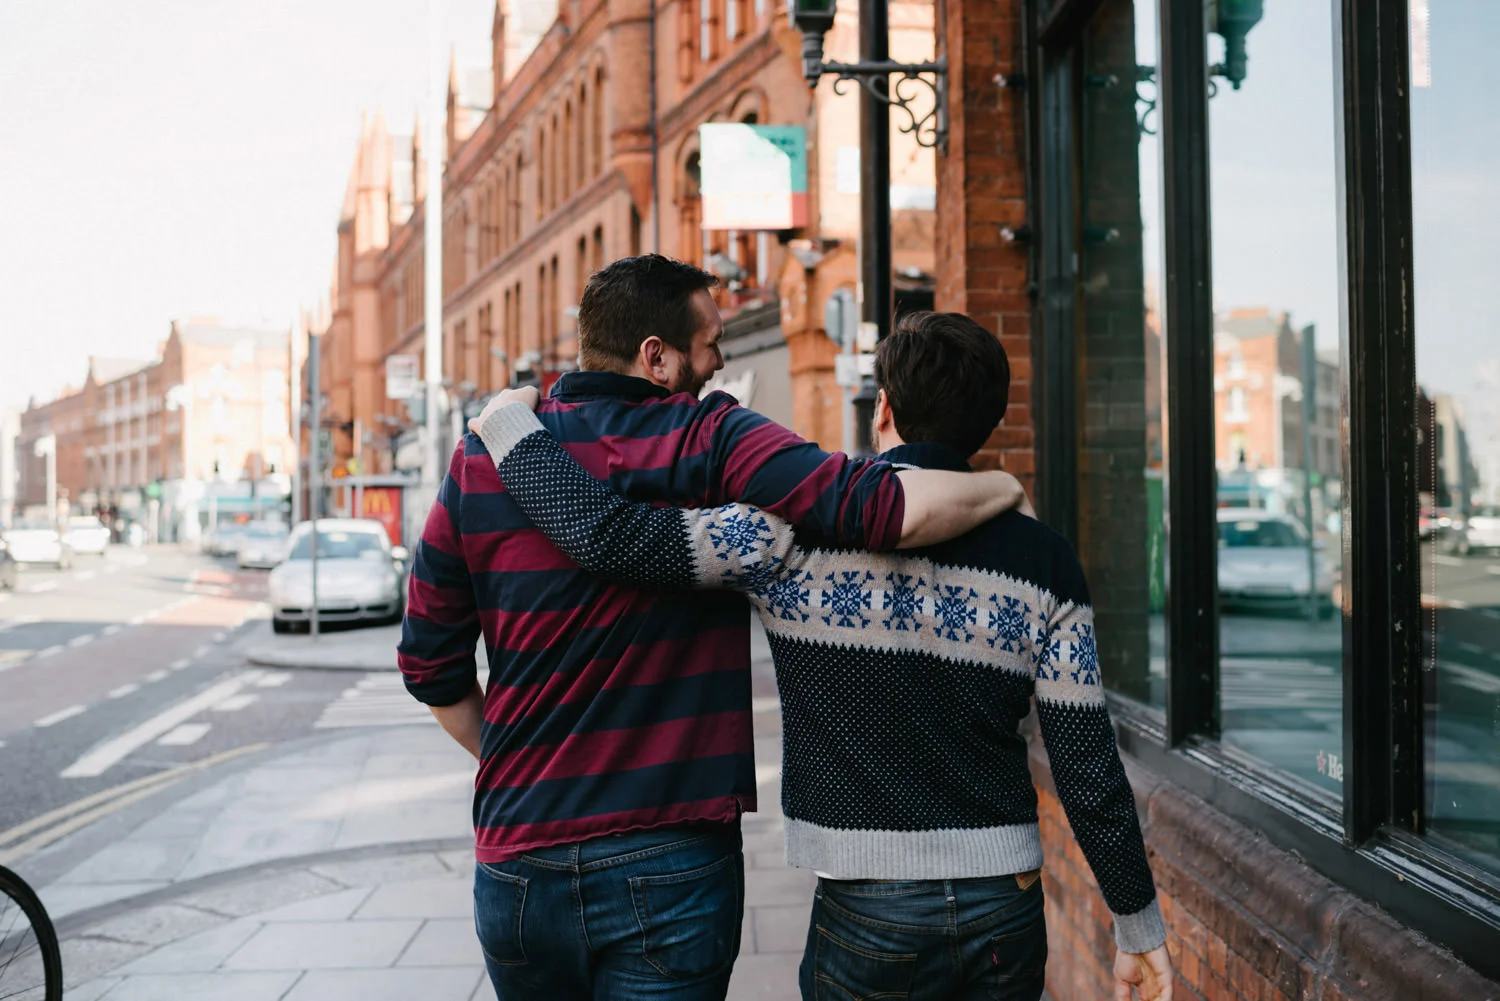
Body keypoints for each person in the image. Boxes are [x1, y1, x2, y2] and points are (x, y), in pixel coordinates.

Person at [467, 310, 1175, 1001]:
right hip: (1004, 902)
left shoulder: (789, 540)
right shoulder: (1045, 559)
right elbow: (1087, 763)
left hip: (866, 909)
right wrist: (1137, 924)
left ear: (883, 410)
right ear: (986, 424)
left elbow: (612, 539)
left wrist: (508, 430)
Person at [398, 257, 1033, 1001]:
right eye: (711, 342)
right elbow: (884, 509)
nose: (722, 360)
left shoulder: (484, 458)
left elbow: (428, 665)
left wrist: (521, 755)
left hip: (519, 856)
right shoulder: (712, 438)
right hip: (671, 858)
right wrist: (1004, 485)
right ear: (656, 355)